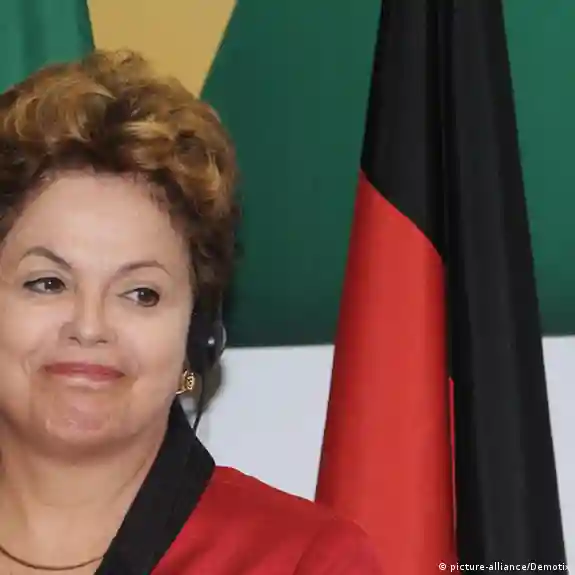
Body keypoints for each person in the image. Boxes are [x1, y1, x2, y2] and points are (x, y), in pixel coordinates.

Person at [0, 50, 383, 574]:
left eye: (141, 293)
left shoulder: (305, 562)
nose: (89, 326)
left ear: (198, 334)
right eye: (48, 283)